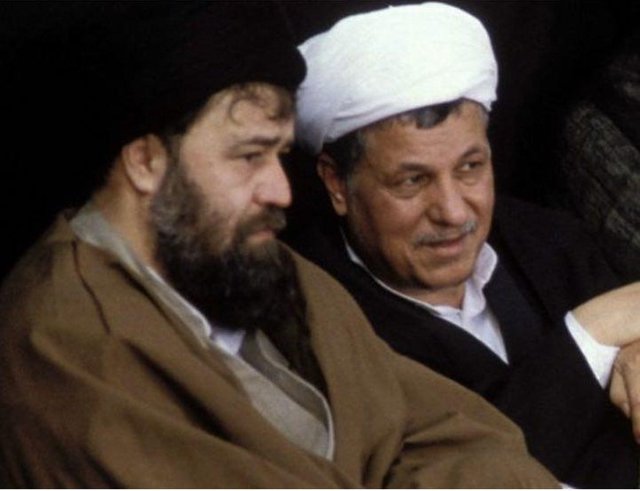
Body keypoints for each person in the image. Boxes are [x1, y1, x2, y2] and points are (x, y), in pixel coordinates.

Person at [0, 2, 562, 488]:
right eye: (249, 156)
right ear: (146, 161)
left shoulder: (257, 265)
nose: (280, 190)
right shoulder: (63, 346)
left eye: (279, 155)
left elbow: (454, 431)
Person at [290, 2, 640, 488]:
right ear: (336, 183)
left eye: (471, 168)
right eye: (412, 181)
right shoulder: (311, 320)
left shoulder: (547, 240)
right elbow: (447, 472)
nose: (454, 212)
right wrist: (591, 334)